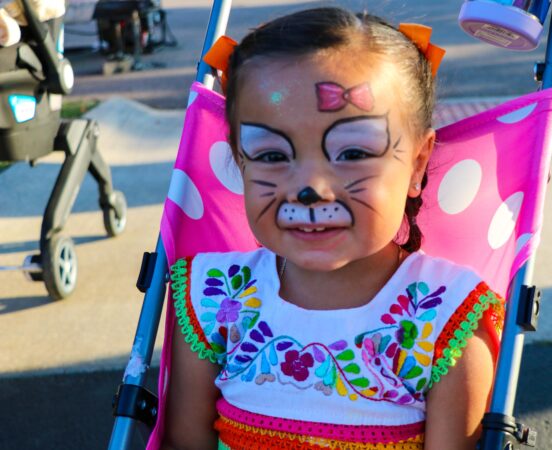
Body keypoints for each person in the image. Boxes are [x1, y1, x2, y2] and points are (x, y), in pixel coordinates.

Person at [163, 7, 505, 450]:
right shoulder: (215, 297)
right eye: (271, 155)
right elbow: (184, 443)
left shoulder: (443, 319)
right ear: (239, 159)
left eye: (352, 153)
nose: (310, 189)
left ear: (418, 164)